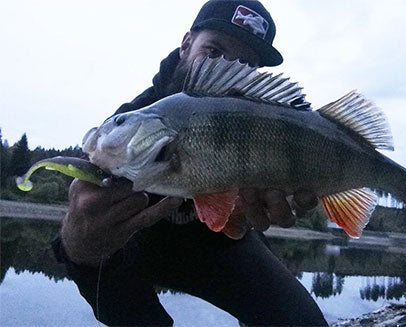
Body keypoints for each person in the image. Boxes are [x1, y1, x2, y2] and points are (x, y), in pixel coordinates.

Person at [53, 1, 328, 325]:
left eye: (245, 66)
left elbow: (239, 219)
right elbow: (78, 224)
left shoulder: (261, 127)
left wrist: (247, 211)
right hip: (137, 245)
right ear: (186, 44)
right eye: (213, 51)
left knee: (300, 320)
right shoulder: (132, 122)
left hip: (217, 245)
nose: (224, 71)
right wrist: (79, 239)